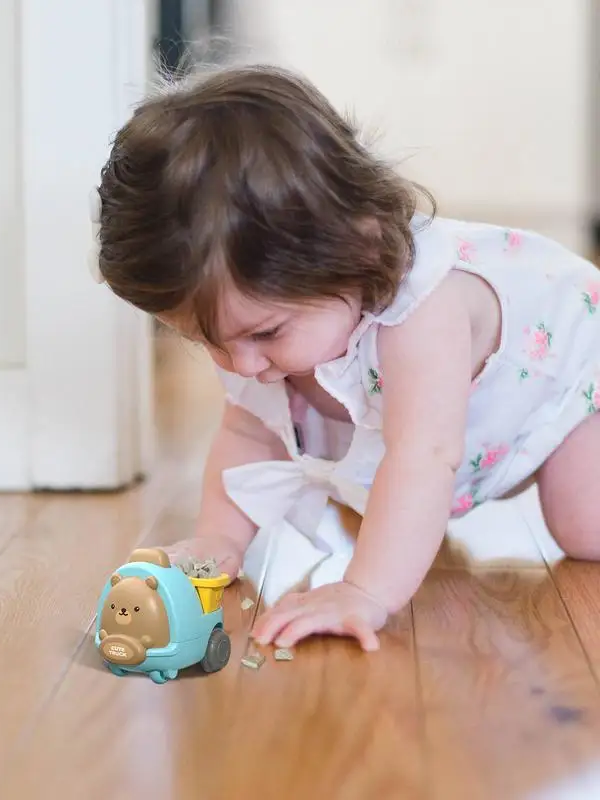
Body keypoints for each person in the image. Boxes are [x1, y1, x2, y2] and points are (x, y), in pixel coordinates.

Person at [94, 64, 600, 652]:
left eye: (265, 333)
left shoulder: (423, 314)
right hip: (485, 410)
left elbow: (424, 454)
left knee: (586, 525)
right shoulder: (260, 330)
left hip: (570, 368)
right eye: (206, 340)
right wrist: (219, 539)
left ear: (359, 248)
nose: (240, 363)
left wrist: (363, 591)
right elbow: (249, 436)